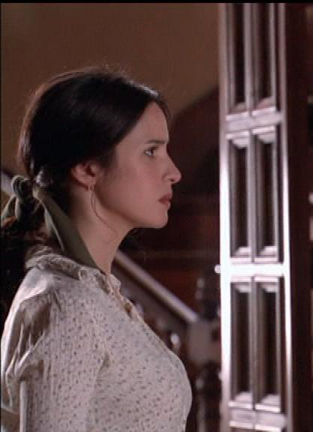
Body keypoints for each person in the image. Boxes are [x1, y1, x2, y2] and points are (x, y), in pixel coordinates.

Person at [1, 67, 190, 431]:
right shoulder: (67, 305)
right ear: (88, 169)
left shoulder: (93, 292)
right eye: (151, 151)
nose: (173, 172)